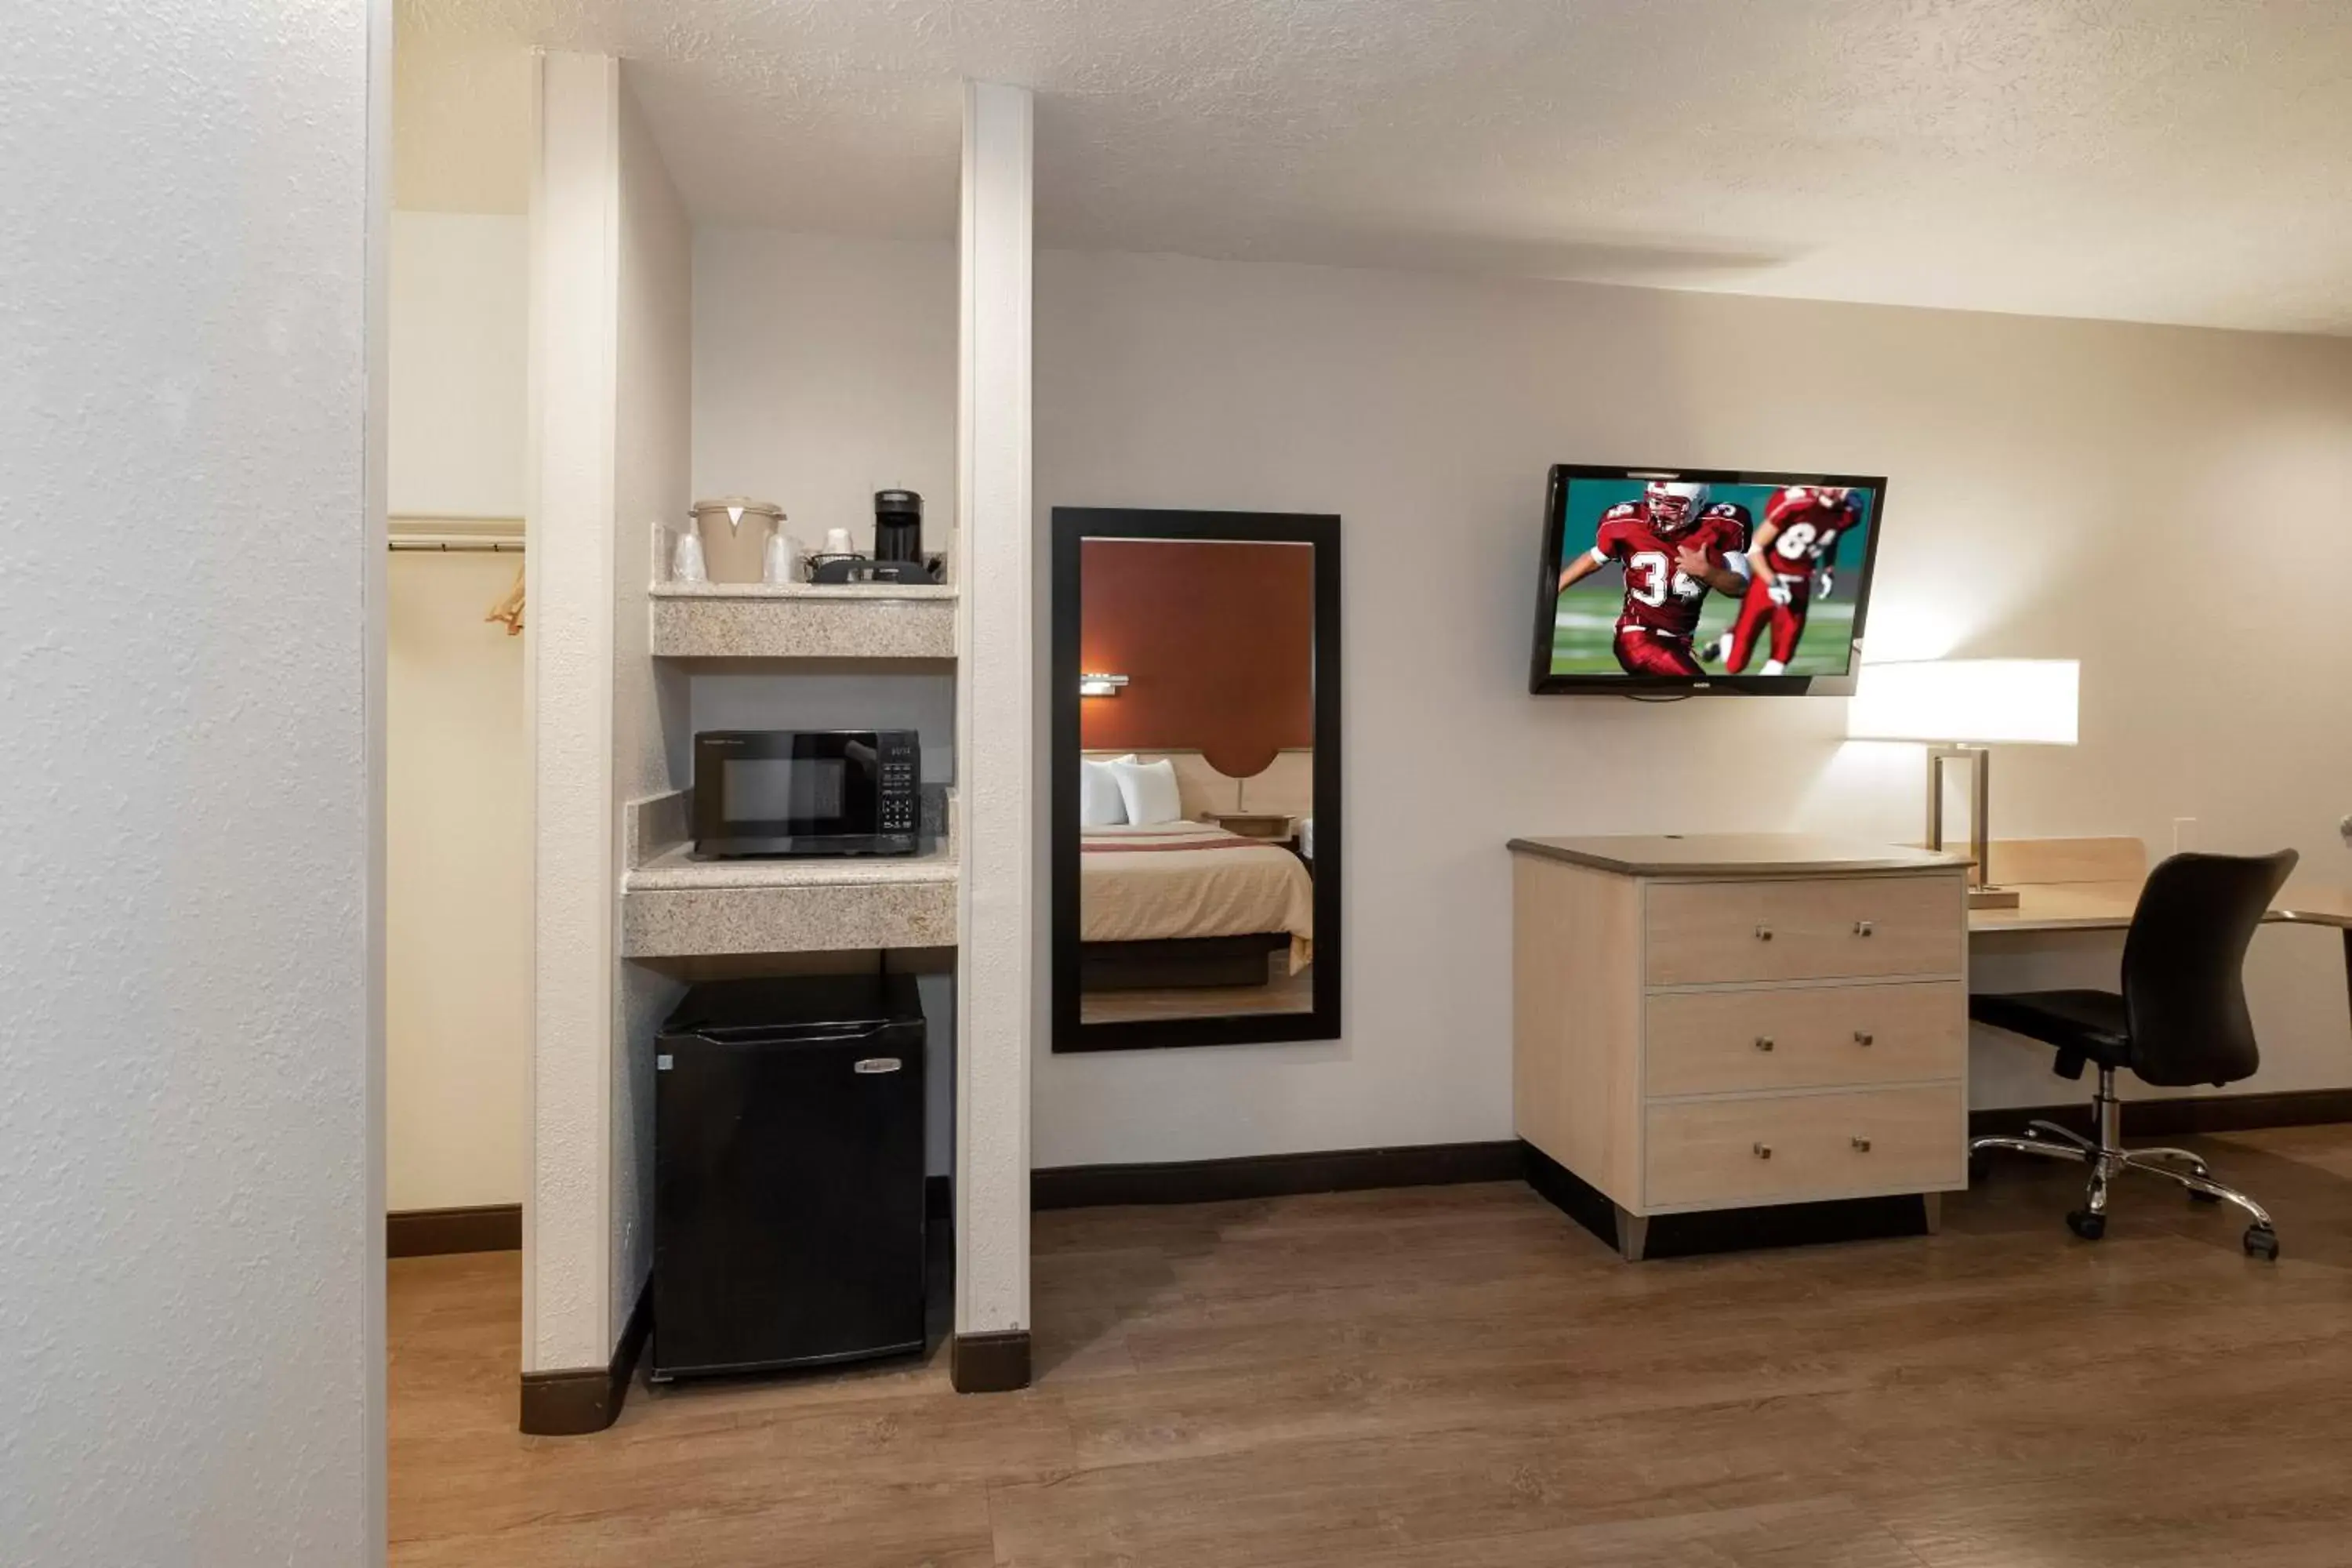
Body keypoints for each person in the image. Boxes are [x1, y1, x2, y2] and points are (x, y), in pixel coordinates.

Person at [1556, 482, 1751, 676]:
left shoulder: (1721, 526)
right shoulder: (1628, 523)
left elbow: (1740, 587)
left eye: (1673, 506)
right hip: (1638, 637)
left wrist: (1708, 572)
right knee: (1700, 689)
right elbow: (1595, 557)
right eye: (1656, 502)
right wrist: (1553, 589)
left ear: (1697, 505)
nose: (1660, 511)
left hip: (1680, 642)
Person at [1705, 484, 1862, 675]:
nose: (1835, 492)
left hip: (1800, 584)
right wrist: (1772, 581)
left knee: (1780, 661)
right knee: (1735, 666)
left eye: (1841, 489)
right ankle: (1728, 637)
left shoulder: (1850, 512)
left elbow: (1829, 536)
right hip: (1767, 580)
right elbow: (1755, 547)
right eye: (1832, 487)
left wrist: (1828, 569)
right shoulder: (1796, 503)